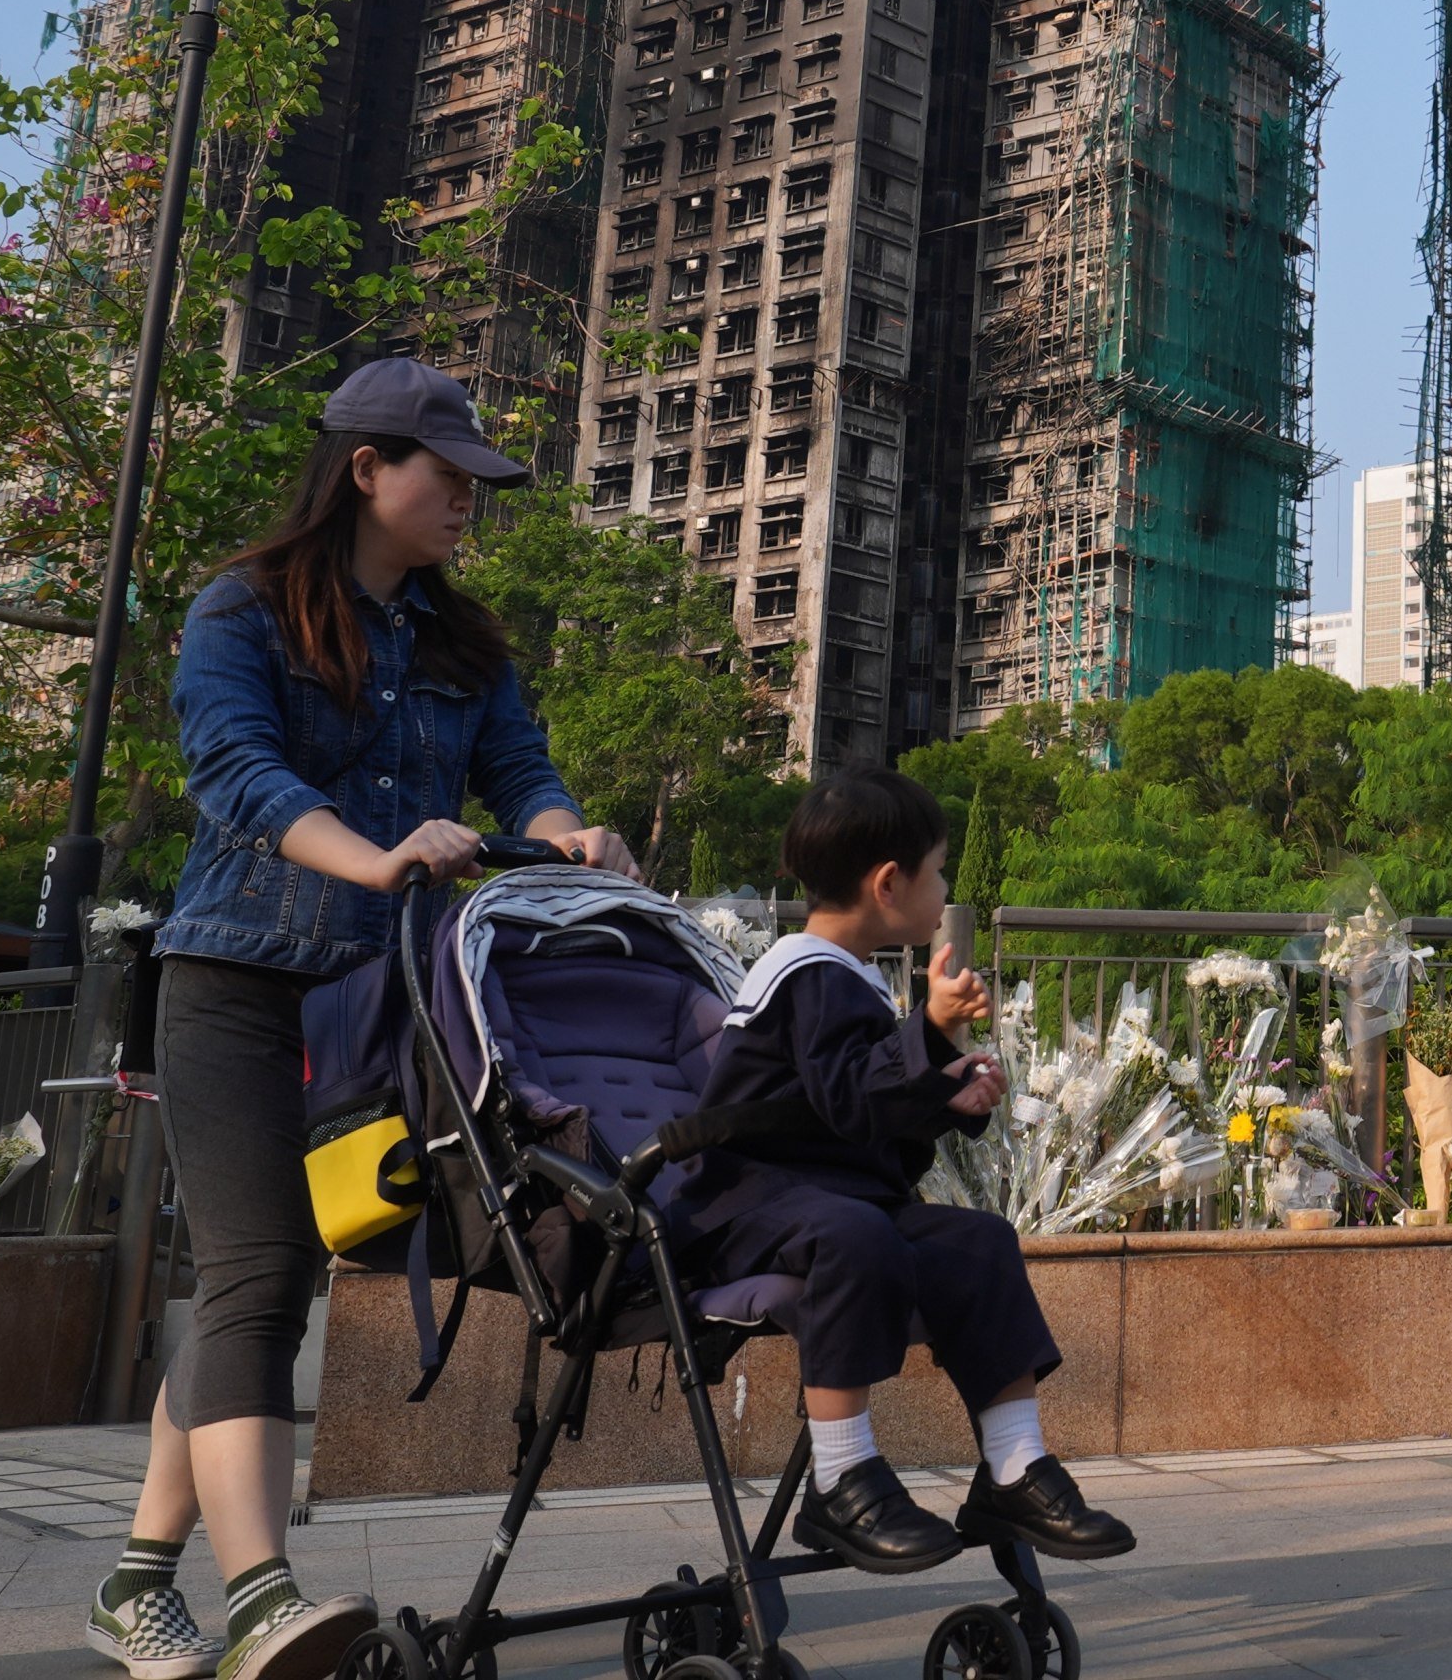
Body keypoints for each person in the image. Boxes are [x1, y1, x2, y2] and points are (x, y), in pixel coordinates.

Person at [93, 359, 635, 1680]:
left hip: (384, 998)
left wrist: (567, 832)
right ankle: (263, 1601)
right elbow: (236, 771)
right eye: (447, 475)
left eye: (474, 481)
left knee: (264, 1279)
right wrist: (377, 856)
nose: (467, 499)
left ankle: (134, 1582)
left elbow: (520, 767)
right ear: (365, 469)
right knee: (261, 1273)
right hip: (236, 983)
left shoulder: (464, 641)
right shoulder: (243, 605)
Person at [673, 769, 1135, 1572]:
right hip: (747, 1207)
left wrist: (944, 1095)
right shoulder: (803, 971)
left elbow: (863, 1121)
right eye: (939, 870)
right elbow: (851, 1098)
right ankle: (841, 1474)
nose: (946, 888)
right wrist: (928, 1030)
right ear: (889, 883)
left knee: (979, 1243)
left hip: (824, 1202)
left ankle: (1014, 1465)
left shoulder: (841, 975)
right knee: (854, 1232)